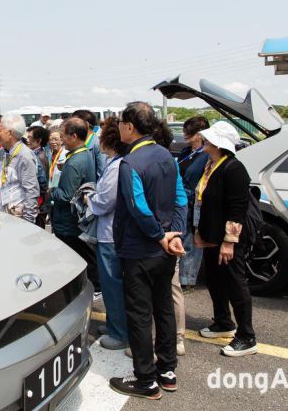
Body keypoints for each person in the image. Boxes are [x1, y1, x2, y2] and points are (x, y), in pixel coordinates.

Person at [109, 101, 186, 400]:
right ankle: (167, 372)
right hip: (165, 248)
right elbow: (181, 197)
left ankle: (146, 380)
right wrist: (173, 234)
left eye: (120, 124)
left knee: (140, 314)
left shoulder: (130, 162)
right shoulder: (167, 155)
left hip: (141, 249)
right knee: (163, 307)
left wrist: (159, 236)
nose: (119, 129)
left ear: (129, 126)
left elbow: (138, 207)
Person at [195, 121, 257, 357]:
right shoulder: (212, 163)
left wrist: (229, 241)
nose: (205, 141)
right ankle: (223, 322)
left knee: (235, 284)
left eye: (209, 139)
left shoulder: (234, 168)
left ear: (220, 144)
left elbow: (237, 208)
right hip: (212, 236)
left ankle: (247, 336)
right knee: (215, 280)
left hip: (228, 239)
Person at [87, 117, 129, 350]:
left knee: (113, 285)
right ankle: (114, 324)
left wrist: (89, 198)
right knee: (110, 283)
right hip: (109, 232)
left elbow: (104, 202)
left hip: (110, 234)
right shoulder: (114, 163)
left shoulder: (116, 166)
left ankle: (120, 332)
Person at [50, 118, 98, 289]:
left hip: (68, 221)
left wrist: (52, 190)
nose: (61, 139)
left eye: (63, 136)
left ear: (74, 136)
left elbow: (66, 195)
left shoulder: (76, 161)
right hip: (74, 219)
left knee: (75, 256)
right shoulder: (83, 155)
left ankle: (91, 286)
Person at [177, 116, 210, 289]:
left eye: (189, 132)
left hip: (193, 202)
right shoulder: (186, 152)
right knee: (182, 239)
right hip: (181, 200)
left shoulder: (206, 155)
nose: (185, 135)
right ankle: (182, 276)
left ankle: (187, 279)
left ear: (200, 134)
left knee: (191, 241)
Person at [27, 125, 51, 228]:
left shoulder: (40, 157)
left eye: (30, 138)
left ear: (39, 140)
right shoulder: (34, 154)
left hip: (39, 203)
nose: (27, 140)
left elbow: (42, 183)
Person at [72, 109, 105, 179]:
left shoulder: (98, 144)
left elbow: (102, 173)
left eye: (74, 123)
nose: (71, 127)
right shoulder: (78, 142)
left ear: (86, 124)